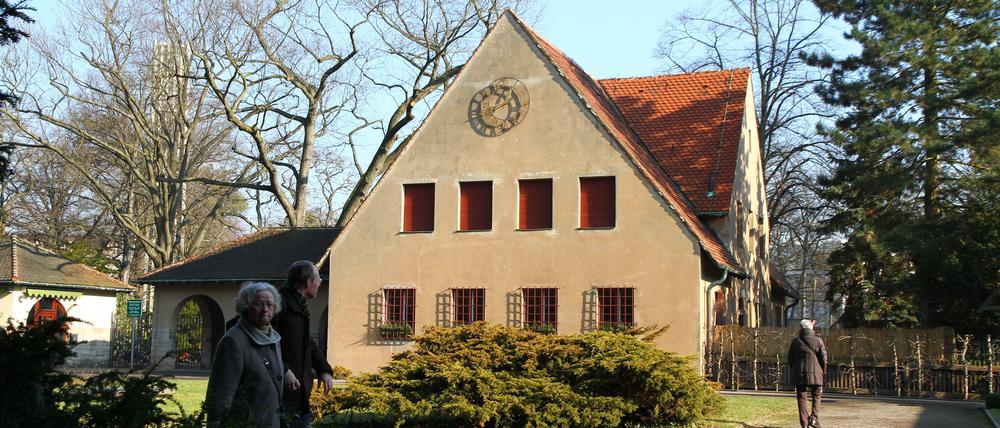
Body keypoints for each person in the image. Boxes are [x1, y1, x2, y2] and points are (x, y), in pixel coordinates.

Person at [206, 282, 285, 428]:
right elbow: (221, 391)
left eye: (270, 304)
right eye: (259, 304)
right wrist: (215, 422)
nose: (265, 309)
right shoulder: (233, 341)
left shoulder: (274, 338)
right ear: (245, 306)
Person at [271, 261, 335, 428]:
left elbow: (307, 343)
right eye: (318, 279)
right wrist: (283, 370)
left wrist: (324, 369)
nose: (320, 283)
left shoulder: (299, 307)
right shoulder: (278, 306)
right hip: (281, 395)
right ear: (308, 282)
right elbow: (266, 345)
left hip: (299, 396)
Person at [788, 319, 827, 428]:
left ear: (801, 328)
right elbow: (824, 359)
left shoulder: (795, 341)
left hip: (799, 374)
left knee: (801, 399)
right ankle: (814, 418)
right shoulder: (818, 341)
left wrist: (795, 369)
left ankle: (804, 424)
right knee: (817, 396)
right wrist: (823, 371)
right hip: (816, 373)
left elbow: (790, 358)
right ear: (811, 328)